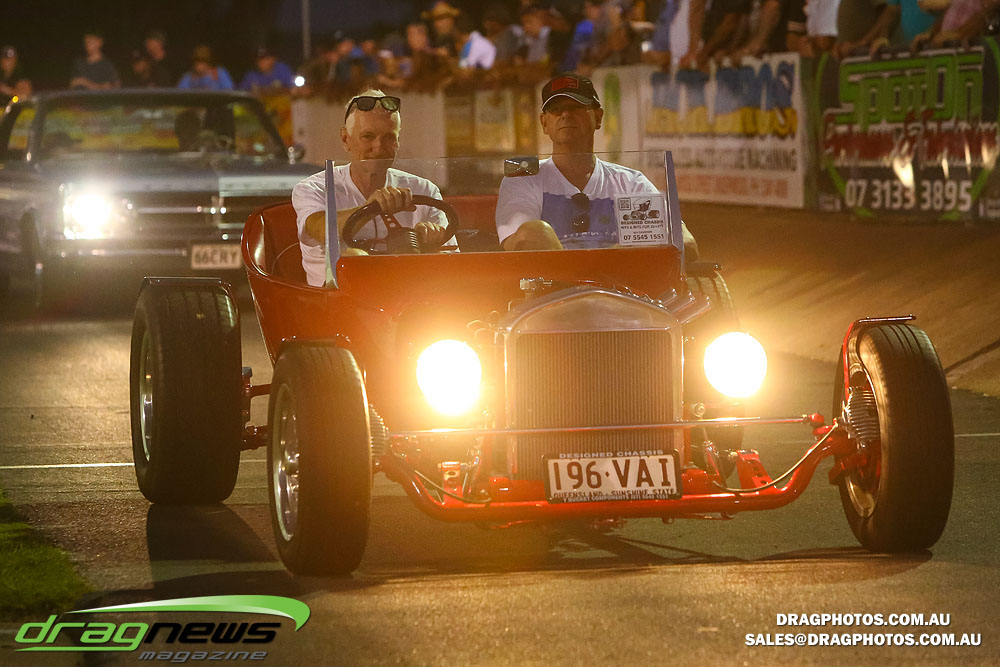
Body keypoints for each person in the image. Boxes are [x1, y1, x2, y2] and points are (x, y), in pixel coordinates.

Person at [496, 73, 698, 257]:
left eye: (575, 106)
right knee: (535, 231)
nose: (565, 114)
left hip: (620, 283)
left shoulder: (630, 182)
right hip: (552, 285)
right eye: (556, 109)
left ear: (598, 117)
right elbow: (523, 241)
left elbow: (685, 242)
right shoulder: (523, 177)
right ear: (544, 123)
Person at [291, 89, 451, 286]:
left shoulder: (425, 189)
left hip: (409, 297)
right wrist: (369, 208)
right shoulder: (314, 188)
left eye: (389, 137)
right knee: (354, 257)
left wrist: (430, 239)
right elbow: (322, 230)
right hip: (333, 299)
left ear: (398, 141)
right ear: (345, 139)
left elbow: (450, 263)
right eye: (368, 136)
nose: (379, 148)